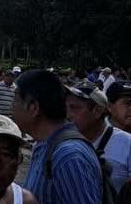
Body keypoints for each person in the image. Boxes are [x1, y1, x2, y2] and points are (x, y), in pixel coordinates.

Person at [13, 69, 103, 204]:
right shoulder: (44, 145)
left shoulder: (69, 155)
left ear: (33, 108)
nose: (12, 108)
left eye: (15, 101)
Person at [65, 81, 131, 194]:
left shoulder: (130, 145)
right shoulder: (63, 143)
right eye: (66, 107)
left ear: (97, 111)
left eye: (74, 108)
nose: (68, 114)